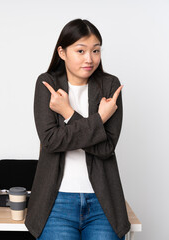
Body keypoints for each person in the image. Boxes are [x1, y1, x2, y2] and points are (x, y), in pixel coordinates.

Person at [25, 19, 131, 240]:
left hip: (103, 202)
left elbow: (106, 148)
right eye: (80, 50)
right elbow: (51, 141)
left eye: (96, 50)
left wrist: (68, 114)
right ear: (62, 52)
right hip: (56, 203)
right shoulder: (48, 85)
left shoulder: (110, 86)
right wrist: (100, 118)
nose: (89, 59)